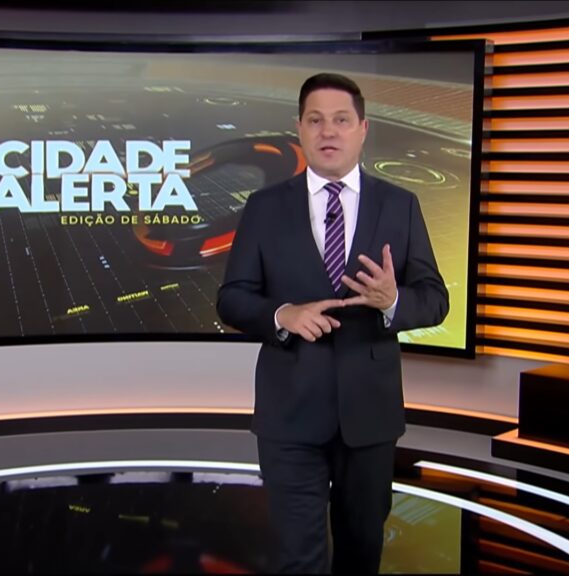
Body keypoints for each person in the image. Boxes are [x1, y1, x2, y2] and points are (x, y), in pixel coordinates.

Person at [216, 73, 449, 574]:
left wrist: (392, 301)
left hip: (369, 416)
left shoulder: (400, 205)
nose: (328, 131)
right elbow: (232, 299)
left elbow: (435, 300)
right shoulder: (264, 207)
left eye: (341, 120)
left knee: (361, 554)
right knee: (298, 558)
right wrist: (283, 315)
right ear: (299, 128)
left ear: (363, 129)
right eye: (316, 120)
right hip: (289, 414)